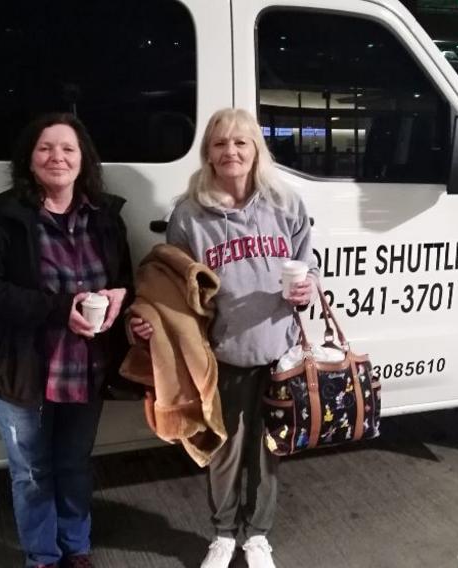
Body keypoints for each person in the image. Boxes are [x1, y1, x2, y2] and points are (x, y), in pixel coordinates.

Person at [130, 108, 318, 568]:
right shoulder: (189, 215)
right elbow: (173, 287)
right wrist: (152, 320)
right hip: (220, 355)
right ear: (208, 154)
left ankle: (257, 536)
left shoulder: (286, 203)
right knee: (224, 450)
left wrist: (309, 286)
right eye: (220, 143)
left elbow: (308, 264)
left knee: (268, 448)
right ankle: (223, 534)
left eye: (240, 142)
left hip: (279, 353)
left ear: (256, 150)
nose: (230, 151)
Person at [0, 113, 133, 568]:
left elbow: (125, 280)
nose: (57, 156)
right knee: (32, 472)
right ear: (29, 158)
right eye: (45, 148)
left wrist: (121, 296)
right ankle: (42, 556)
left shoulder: (105, 217)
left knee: (74, 463)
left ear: (83, 160)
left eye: (68, 148)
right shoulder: (4, 215)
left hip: (86, 366)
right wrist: (59, 309)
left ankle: (76, 547)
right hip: (20, 367)